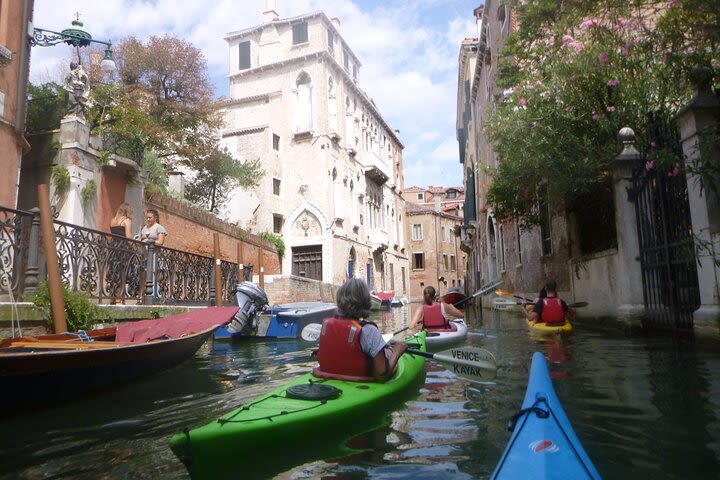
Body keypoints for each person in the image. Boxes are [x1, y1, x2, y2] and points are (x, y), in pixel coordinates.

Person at [315, 278, 408, 382]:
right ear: (366, 302)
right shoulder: (369, 331)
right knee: (391, 352)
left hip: (327, 374)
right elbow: (381, 375)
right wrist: (397, 351)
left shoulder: (326, 325)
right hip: (357, 379)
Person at [107, 203, 134, 304]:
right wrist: (135, 247)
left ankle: (112, 297)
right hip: (123, 248)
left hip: (113, 247)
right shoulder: (127, 221)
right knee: (123, 272)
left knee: (114, 271)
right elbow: (128, 236)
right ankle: (119, 298)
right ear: (128, 211)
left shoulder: (113, 220)